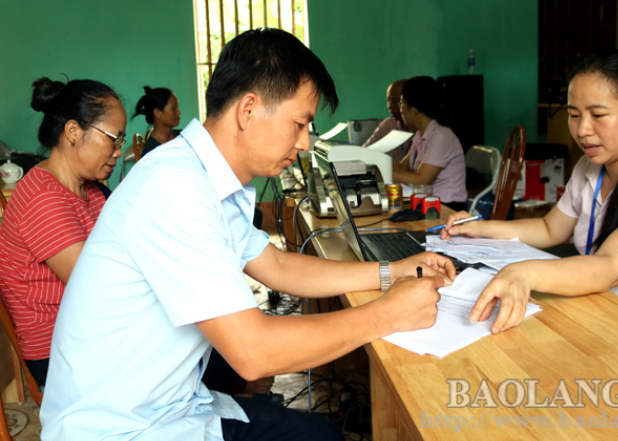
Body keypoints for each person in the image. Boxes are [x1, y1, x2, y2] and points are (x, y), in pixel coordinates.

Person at [40, 28, 455, 441]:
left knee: (317, 433)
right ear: (249, 110)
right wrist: (388, 314)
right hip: (116, 429)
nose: (305, 142)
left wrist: (392, 272)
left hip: (170, 407)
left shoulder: (206, 178)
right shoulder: (174, 187)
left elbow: (273, 264)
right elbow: (253, 354)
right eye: (299, 124)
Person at [441, 50, 618, 346]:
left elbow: (610, 266)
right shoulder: (591, 166)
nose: (583, 130)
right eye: (574, 115)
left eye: (598, 115)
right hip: (608, 320)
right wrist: (481, 228)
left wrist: (525, 273)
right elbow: (551, 228)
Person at [0, 77, 125, 388]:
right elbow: (99, 284)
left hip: (91, 331)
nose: (118, 152)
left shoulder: (92, 189)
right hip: (60, 351)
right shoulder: (43, 197)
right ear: (73, 131)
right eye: (113, 139)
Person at [392, 76, 467, 212]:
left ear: (414, 108)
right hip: (428, 203)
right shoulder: (421, 135)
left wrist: (389, 174)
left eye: (402, 103)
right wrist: (374, 168)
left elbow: (422, 180)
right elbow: (403, 167)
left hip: (447, 207)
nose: (400, 109)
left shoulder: (441, 137)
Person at [363, 79, 413, 162]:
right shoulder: (388, 124)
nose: (389, 106)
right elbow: (365, 151)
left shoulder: (421, 129)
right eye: (388, 100)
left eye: (394, 101)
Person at [132, 86, 181, 157]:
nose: (178, 112)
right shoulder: (152, 152)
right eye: (173, 108)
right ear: (157, 113)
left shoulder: (183, 135)